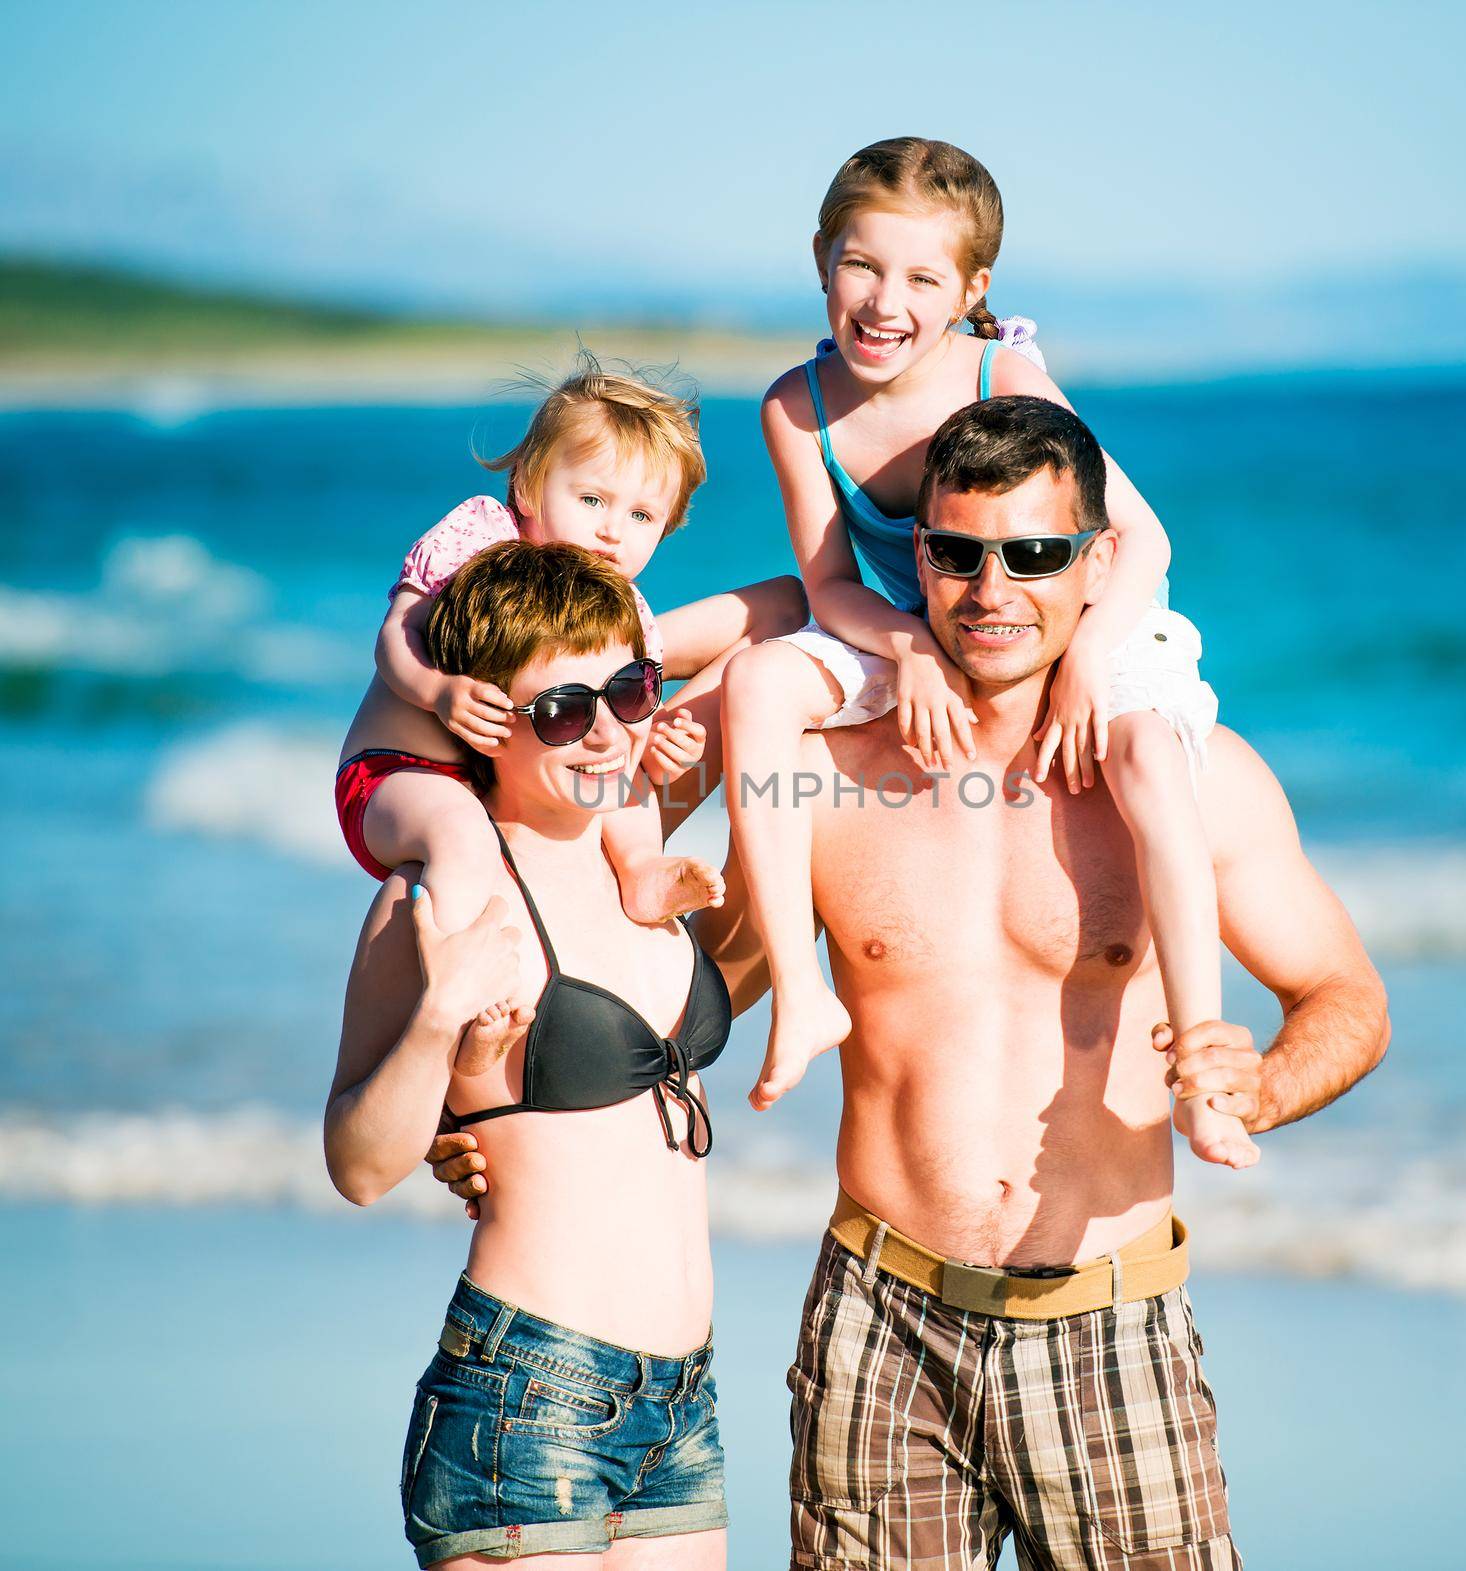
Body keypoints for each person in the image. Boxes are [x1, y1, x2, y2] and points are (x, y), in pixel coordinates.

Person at [432, 397, 1390, 1571]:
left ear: (1095, 568)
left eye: (1034, 555)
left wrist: (1256, 1087)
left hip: (1109, 1321)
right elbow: (672, 1008)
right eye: (955, 552)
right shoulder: (820, 781)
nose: (992, 589)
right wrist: (486, 1105)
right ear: (914, 557)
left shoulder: (1189, 782)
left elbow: (1347, 996)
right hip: (878, 1325)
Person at [720, 138, 1251, 1171]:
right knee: (756, 679)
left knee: (1144, 758)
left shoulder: (1005, 374)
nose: (884, 300)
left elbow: (1140, 540)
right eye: (862, 266)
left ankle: (1199, 1066)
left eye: (921, 277)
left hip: (1087, 622)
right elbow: (830, 583)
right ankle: (798, 990)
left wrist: (1093, 654)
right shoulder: (797, 406)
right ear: (821, 259)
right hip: (912, 624)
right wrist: (907, 649)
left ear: (970, 288)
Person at [327, 542, 769, 1569]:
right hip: (525, 1394)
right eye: (565, 709)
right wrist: (439, 1020)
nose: (608, 730)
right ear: (484, 719)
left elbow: (783, 627)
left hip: (683, 1400)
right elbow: (355, 1163)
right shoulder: (441, 895)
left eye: (629, 689)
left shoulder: (643, 866)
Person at [336, 359, 805, 1062]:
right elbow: (395, 633)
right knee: (463, 838)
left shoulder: (626, 612)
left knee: (629, 774)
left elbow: (620, 725)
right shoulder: (485, 536)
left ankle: (642, 866)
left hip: (524, 783)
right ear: (528, 484)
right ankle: (461, 998)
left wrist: (656, 739)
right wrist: (436, 690)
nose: (612, 531)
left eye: (641, 515)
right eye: (592, 499)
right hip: (402, 774)